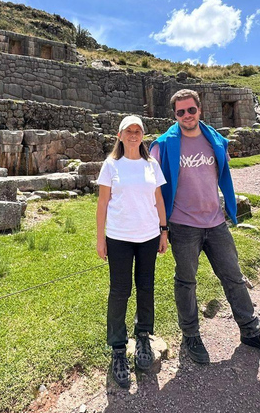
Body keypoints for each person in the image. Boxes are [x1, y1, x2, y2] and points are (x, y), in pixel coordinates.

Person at [149, 89, 260, 364]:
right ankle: (191, 336)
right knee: (186, 282)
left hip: (215, 222)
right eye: (180, 112)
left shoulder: (214, 140)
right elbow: (151, 187)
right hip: (183, 225)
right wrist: (161, 228)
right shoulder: (162, 145)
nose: (186, 115)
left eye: (191, 110)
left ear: (199, 110)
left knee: (233, 277)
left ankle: (250, 331)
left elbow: (222, 170)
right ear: (174, 115)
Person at [96, 115, 168, 389]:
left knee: (146, 287)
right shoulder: (111, 165)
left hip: (149, 236)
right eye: (129, 131)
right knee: (120, 290)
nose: (134, 135)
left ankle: (143, 337)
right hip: (119, 237)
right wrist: (100, 239)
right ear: (120, 135)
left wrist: (164, 231)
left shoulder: (152, 164)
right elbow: (103, 203)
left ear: (143, 135)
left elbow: (158, 199)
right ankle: (117, 348)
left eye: (138, 131)